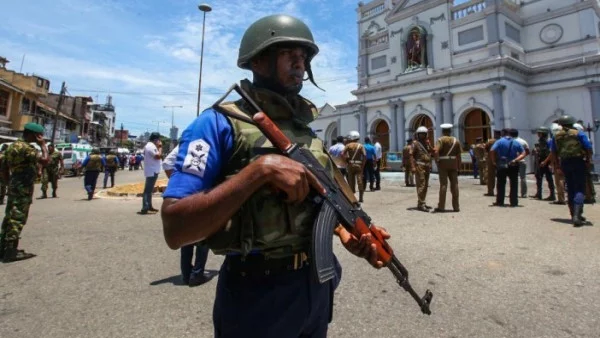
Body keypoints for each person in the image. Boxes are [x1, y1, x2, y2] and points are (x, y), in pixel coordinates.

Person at [161, 15, 389, 337]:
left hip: (315, 287)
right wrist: (259, 171)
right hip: (256, 295)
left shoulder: (305, 132)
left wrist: (343, 230)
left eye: (304, 59)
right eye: (290, 55)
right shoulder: (216, 124)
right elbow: (175, 228)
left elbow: (315, 202)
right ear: (258, 60)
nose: (300, 65)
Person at [0, 122, 49, 262]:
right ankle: (10, 251)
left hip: (14, 185)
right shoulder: (27, 149)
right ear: (34, 134)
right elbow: (45, 160)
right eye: (39, 135)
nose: (40, 137)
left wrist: (8, 183)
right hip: (23, 187)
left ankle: (3, 247)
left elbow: (3, 168)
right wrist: (43, 145)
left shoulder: (10, 148)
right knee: (18, 218)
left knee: (9, 216)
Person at [550, 115, 593, 226]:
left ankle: (574, 213)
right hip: (578, 162)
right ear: (572, 123)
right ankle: (577, 215)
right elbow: (588, 147)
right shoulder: (578, 133)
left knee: (570, 188)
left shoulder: (556, 136)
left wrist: (557, 166)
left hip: (565, 163)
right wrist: (588, 160)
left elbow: (553, 152)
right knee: (580, 188)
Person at [490, 129, 526, 207]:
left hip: (502, 164)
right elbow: (523, 153)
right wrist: (516, 160)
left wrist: (493, 161)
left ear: (503, 134)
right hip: (513, 164)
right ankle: (513, 202)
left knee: (501, 184)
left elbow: (492, 150)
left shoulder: (499, 141)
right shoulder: (516, 142)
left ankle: (500, 201)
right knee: (514, 184)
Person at [434, 124, 462, 212]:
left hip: (443, 164)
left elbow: (435, 151)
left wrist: (437, 160)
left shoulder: (440, 140)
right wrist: (459, 167)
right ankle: (456, 206)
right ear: (450, 131)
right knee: (455, 185)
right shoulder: (456, 141)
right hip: (453, 164)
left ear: (443, 131)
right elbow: (459, 155)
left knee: (443, 185)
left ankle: (441, 206)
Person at [410, 126, 434, 212]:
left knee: (425, 185)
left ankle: (422, 202)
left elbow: (432, 152)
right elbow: (411, 155)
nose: (422, 136)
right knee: (421, 185)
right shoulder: (415, 143)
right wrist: (413, 167)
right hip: (419, 166)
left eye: (424, 134)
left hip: (427, 166)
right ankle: (421, 204)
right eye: (421, 134)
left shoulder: (426, 143)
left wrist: (429, 144)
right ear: (418, 135)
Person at [530, 127, 555, 201]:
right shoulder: (540, 142)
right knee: (538, 178)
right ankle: (539, 193)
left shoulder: (548, 141)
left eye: (539, 133)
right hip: (540, 161)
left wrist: (546, 162)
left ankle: (552, 194)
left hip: (546, 162)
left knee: (549, 178)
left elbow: (550, 153)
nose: (538, 134)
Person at [140, 132, 162, 214]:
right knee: (147, 190)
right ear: (155, 139)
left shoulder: (151, 146)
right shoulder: (150, 146)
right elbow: (158, 156)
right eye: (158, 140)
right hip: (151, 171)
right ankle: (145, 207)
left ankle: (149, 206)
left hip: (153, 170)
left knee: (149, 190)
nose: (159, 141)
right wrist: (160, 147)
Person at [342, 131, 366, 202]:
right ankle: (361, 197)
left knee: (351, 181)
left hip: (350, 165)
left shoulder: (348, 145)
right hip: (359, 165)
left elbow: (342, 154)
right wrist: (363, 166)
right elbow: (365, 156)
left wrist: (347, 160)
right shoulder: (361, 146)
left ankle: (352, 197)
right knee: (360, 181)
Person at [513, 130, 530, 198]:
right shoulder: (523, 141)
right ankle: (524, 193)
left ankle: (514, 192)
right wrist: (522, 156)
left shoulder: (512, 142)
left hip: (513, 161)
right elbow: (528, 151)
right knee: (523, 178)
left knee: (513, 178)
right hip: (522, 161)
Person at [484, 131, 501, 196]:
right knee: (501, 175)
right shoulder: (502, 141)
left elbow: (486, 149)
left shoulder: (490, 141)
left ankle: (490, 191)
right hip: (500, 159)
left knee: (491, 176)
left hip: (491, 159)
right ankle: (500, 191)